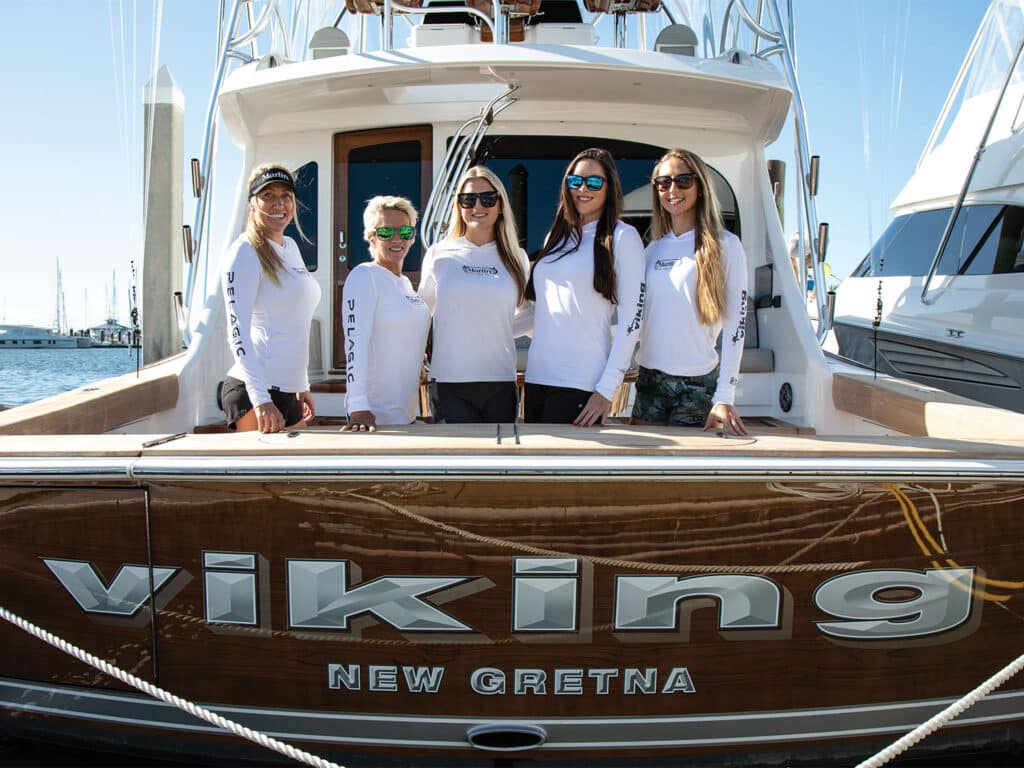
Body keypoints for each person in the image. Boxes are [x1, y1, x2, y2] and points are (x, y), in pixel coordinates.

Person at [522, 147, 646, 426]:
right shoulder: (555, 237)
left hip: (582, 383)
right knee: (535, 468)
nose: (583, 189)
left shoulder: (623, 237)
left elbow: (631, 321)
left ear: (609, 187)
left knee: (565, 471)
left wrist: (606, 389)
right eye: (575, 182)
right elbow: (543, 311)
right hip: (537, 378)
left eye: (594, 182)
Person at [632, 148, 749, 436]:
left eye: (683, 180)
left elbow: (737, 327)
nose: (672, 189)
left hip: (697, 385)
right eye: (663, 183)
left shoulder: (726, 246)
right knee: (642, 474)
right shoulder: (651, 250)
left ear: (700, 186)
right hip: (650, 381)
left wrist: (725, 397)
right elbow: (630, 319)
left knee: (680, 477)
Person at [418, 166, 529, 423]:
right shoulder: (439, 254)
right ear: (459, 206)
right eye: (468, 200)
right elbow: (421, 316)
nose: (478, 205)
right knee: (458, 463)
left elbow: (529, 316)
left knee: (500, 463)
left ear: (500, 204)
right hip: (449, 382)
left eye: (488, 198)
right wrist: (413, 366)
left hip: (500, 381)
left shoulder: (517, 258)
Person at [220, 164, 320, 433]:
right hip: (254, 392)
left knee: (299, 475)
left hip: (289, 391)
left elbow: (296, 323)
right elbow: (236, 332)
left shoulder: (291, 247)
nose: (279, 203)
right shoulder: (244, 252)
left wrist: (302, 386)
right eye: (268, 196)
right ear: (252, 203)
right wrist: (261, 399)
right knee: (263, 476)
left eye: (286, 195)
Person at [341, 195, 430, 432]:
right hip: (373, 420)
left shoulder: (406, 285)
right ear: (371, 236)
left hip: (406, 414)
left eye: (405, 232)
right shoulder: (364, 276)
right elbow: (354, 345)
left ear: (412, 237)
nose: (397, 239)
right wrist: (357, 406)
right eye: (386, 233)